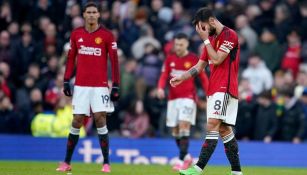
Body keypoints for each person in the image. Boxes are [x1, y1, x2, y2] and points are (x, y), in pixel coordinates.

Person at [170, 7, 243, 175]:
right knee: (224, 129)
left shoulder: (229, 35)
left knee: (212, 124)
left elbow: (217, 59)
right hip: (214, 88)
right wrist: (182, 77)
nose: (202, 32)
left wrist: (205, 40)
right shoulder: (211, 39)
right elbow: (200, 66)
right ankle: (237, 172)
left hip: (225, 87)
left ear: (211, 21)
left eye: (202, 27)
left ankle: (198, 168)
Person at [56, 2, 120, 173]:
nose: (91, 15)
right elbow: (70, 59)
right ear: (84, 15)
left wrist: (115, 84)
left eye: (94, 12)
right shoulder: (76, 34)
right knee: (77, 120)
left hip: (100, 86)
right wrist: (66, 80)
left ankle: (106, 163)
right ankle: (66, 162)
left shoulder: (107, 35)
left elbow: (114, 61)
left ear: (99, 15)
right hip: (81, 86)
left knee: (100, 119)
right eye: (88, 12)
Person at [157, 33, 208, 171]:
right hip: (173, 99)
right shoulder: (170, 59)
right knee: (175, 130)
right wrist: (160, 88)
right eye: (176, 44)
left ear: (186, 44)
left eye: (181, 44)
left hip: (188, 98)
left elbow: (203, 77)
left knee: (184, 125)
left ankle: (180, 160)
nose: (178, 47)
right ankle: (186, 157)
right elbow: (163, 75)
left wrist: (209, 93)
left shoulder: (193, 59)